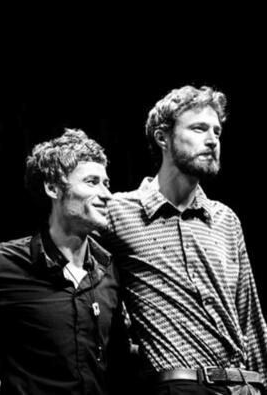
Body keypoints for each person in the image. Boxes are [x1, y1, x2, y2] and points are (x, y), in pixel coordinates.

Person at [98, 85, 267, 395]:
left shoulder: (226, 220)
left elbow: (250, 319)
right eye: (199, 128)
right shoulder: (119, 212)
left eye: (217, 131)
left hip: (244, 386)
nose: (212, 140)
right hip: (179, 384)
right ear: (163, 137)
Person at [0, 128, 133, 395]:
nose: (107, 195)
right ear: (53, 188)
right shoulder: (4, 264)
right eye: (92, 182)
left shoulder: (109, 269)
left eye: (106, 183)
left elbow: (119, 364)